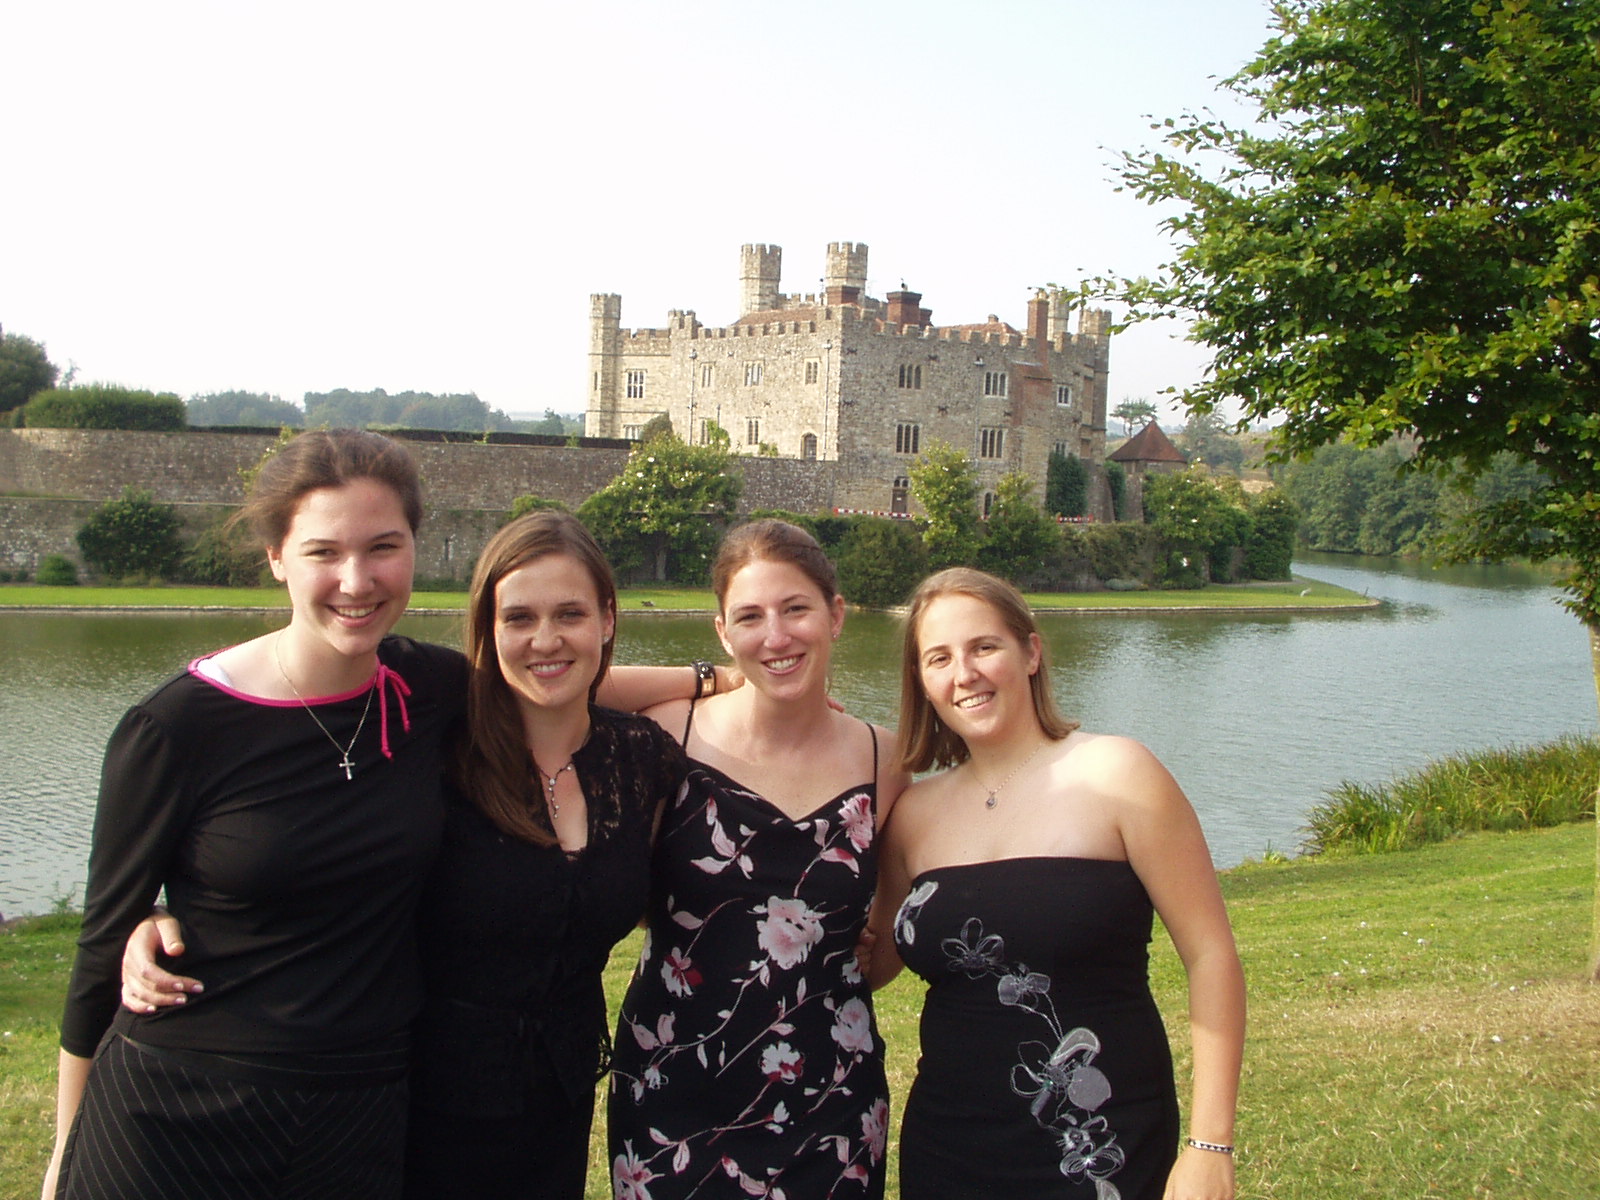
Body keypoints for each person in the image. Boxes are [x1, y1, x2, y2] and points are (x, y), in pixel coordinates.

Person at [45, 430, 470, 1200]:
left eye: (383, 547)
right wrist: (63, 1154)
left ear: (416, 547)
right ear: (277, 557)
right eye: (322, 553)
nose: (357, 580)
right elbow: (104, 947)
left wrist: (709, 675)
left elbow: (563, 685)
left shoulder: (432, 688)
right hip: (175, 1109)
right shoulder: (178, 727)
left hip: (357, 1117)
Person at [867, 568, 1245, 1200]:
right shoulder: (913, 814)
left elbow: (1211, 956)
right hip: (949, 1145)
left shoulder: (1119, 774)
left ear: (1032, 652)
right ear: (922, 681)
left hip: (1101, 1140)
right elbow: (872, 960)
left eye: (984, 647)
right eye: (940, 658)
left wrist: (1211, 1145)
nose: (965, 673)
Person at [608, 519, 905, 1200]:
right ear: (722, 631)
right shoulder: (670, 732)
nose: (776, 637)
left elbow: (888, 937)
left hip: (830, 1100)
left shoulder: (886, 760)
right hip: (672, 1093)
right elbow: (550, 684)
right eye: (749, 617)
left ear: (836, 615)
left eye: (796, 609)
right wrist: (706, 679)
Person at [401, 511, 687, 1199]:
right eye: (519, 618)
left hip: (558, 1099)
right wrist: (161, 908)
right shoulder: (433, 745)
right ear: (487, 629)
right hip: (416, 1102)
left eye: (570, 614)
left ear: (607, 620)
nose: (546, 639)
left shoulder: (639, 757)